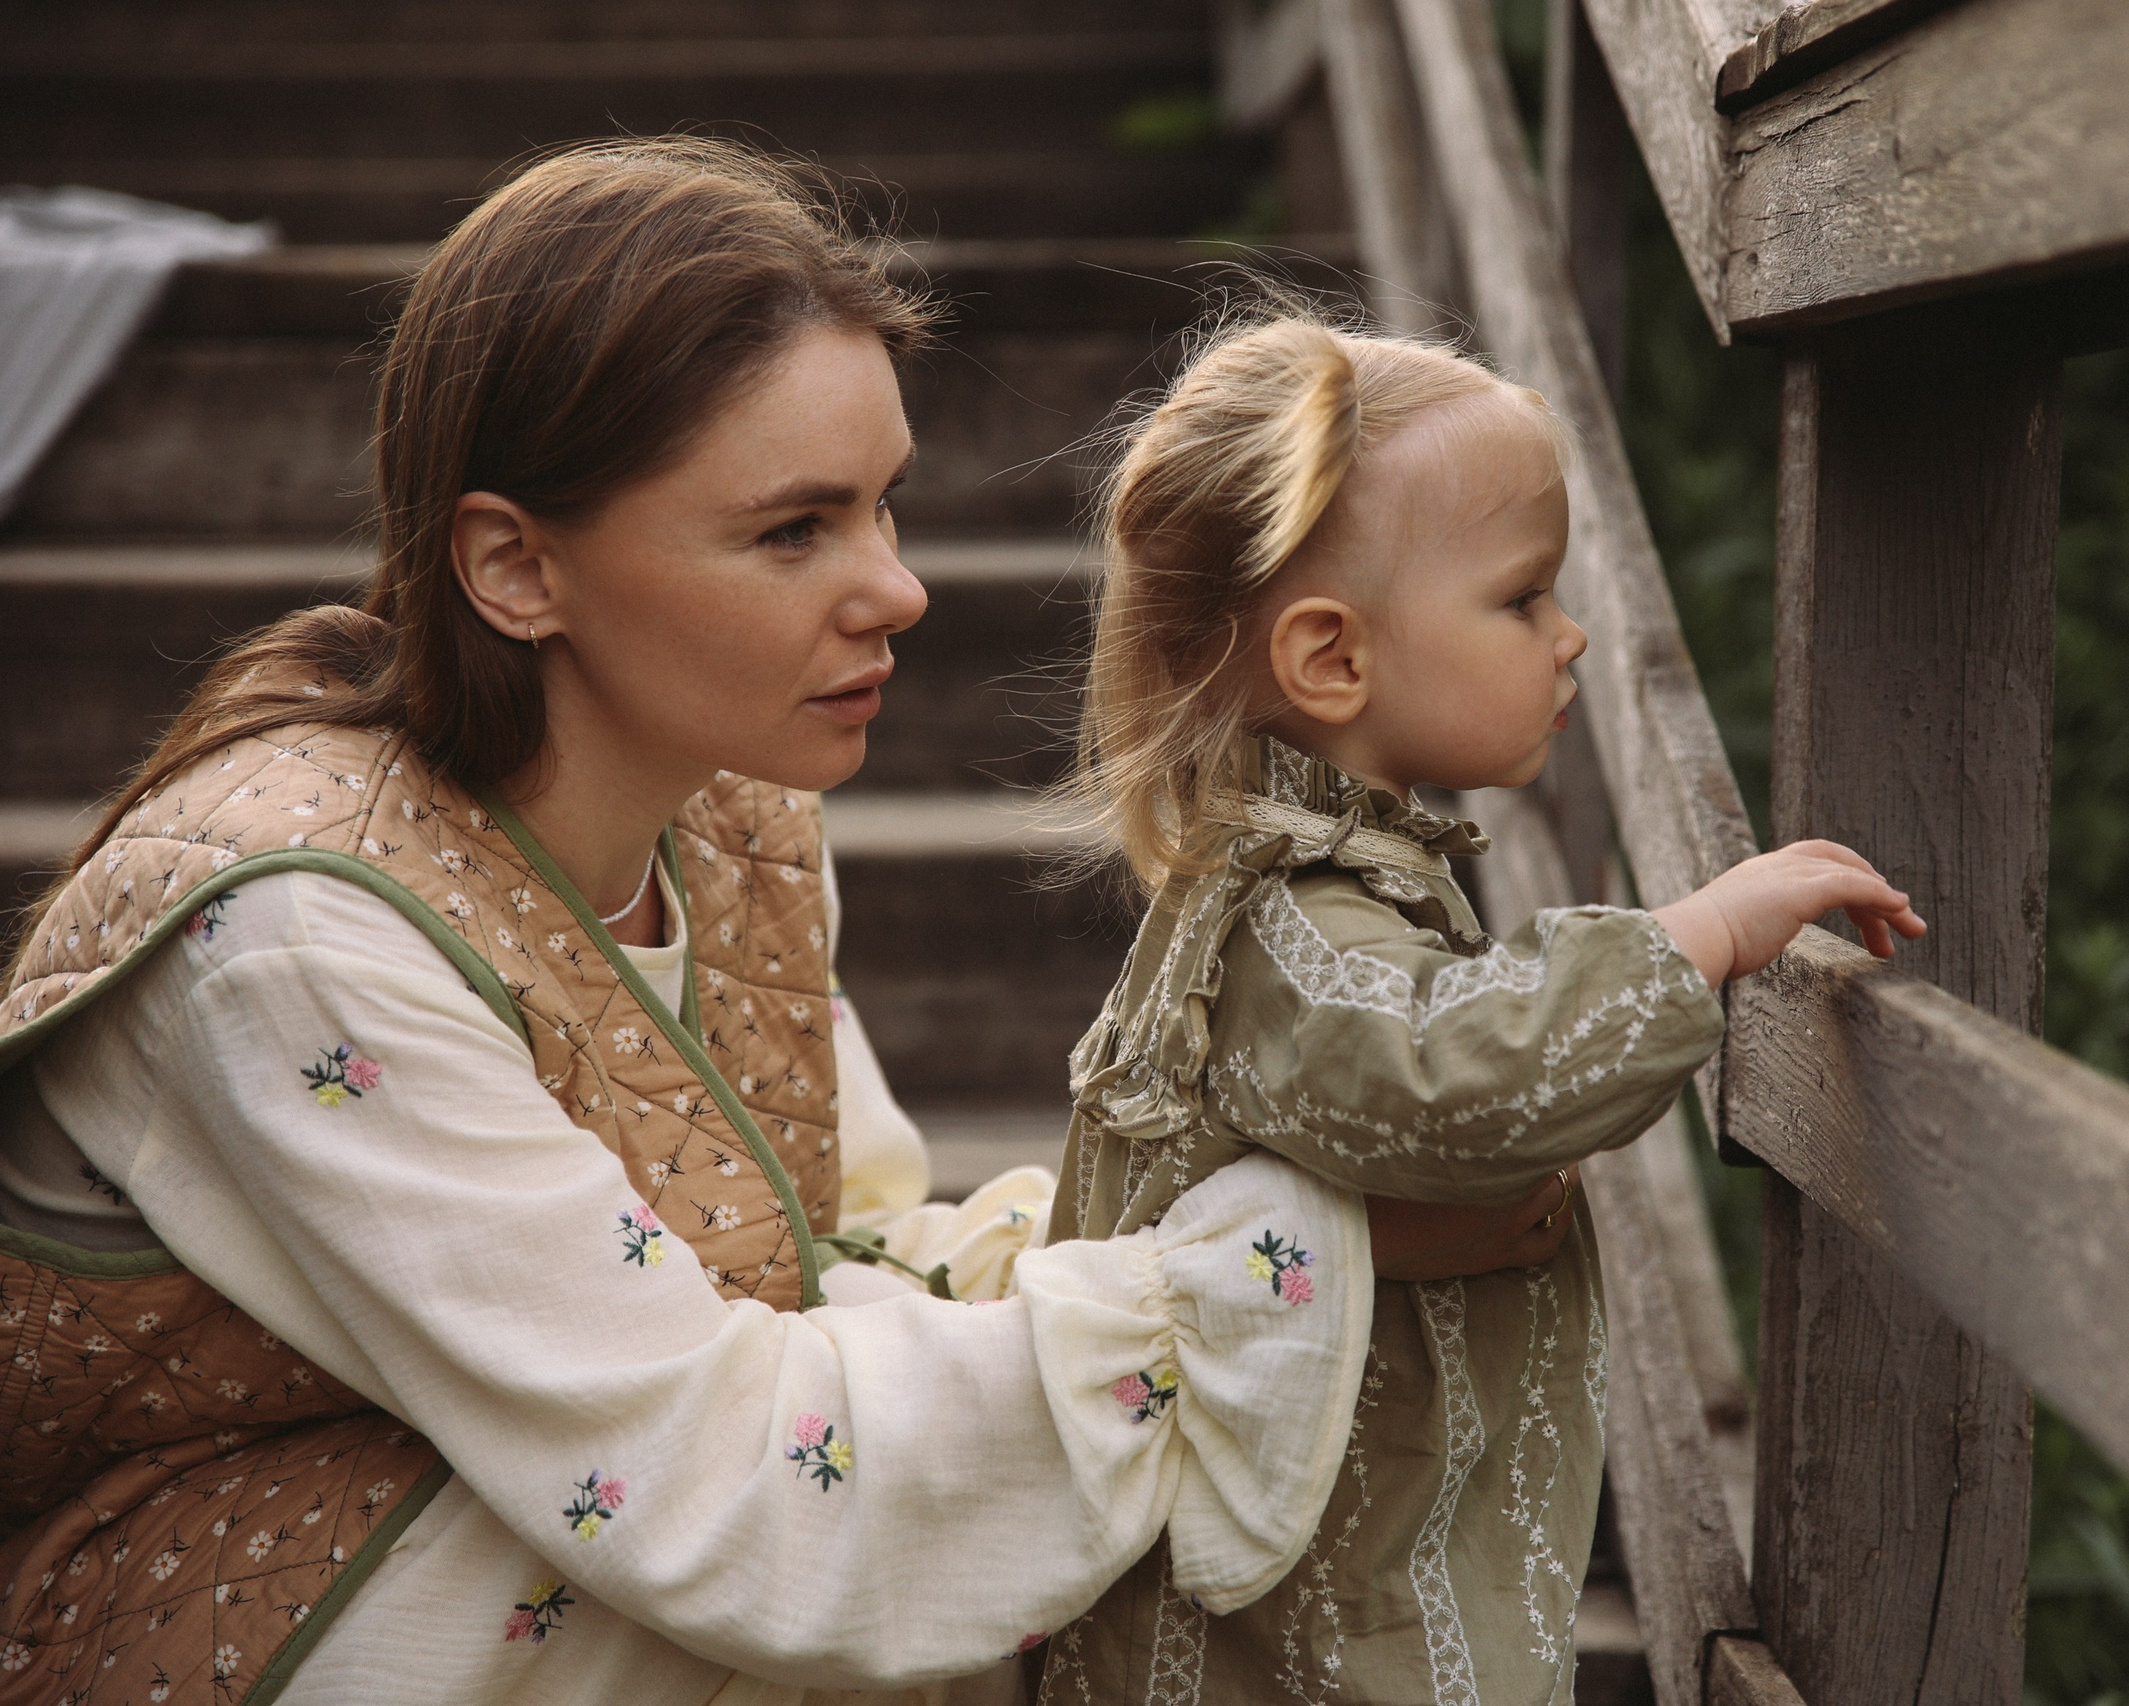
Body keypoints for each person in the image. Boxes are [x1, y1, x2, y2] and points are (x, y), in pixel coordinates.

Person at [0, 143, 1577, 1706]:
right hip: (217, 1598)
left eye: (886, 506)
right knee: (707, 1529)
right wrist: (1277, 1273)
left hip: (559, 1492)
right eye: (792, 531)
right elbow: (714, 1479)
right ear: (515, 566)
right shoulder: (299, 939)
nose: (897, 589)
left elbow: (831, 1245)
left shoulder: (723, 802)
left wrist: (1238, 1256)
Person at [1039, 315, 1926, 1704]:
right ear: (1331, 659)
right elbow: (1454, 1075)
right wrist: (1700, 936)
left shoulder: (1327, 881)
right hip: (1286, 1652)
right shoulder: (1289, 923)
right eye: (1522, 599)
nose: (1572, 636)